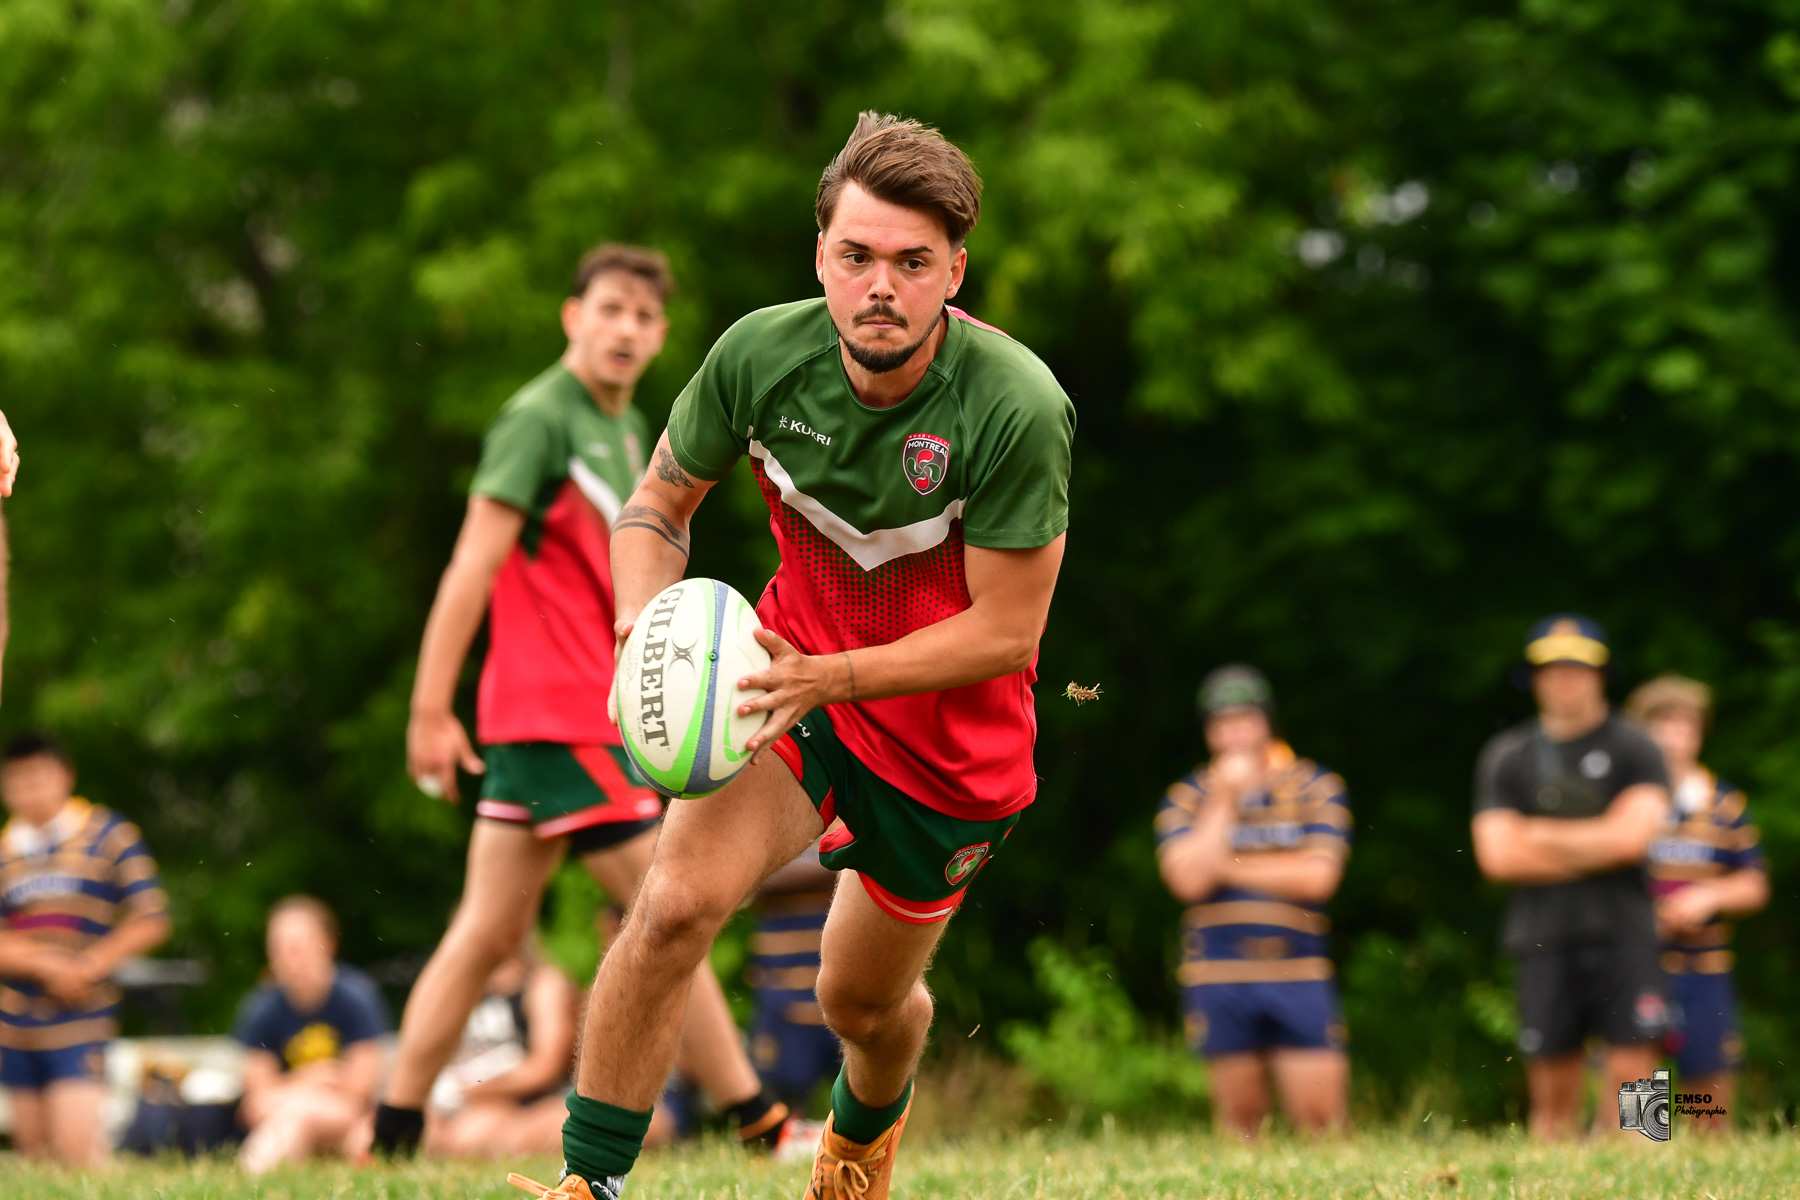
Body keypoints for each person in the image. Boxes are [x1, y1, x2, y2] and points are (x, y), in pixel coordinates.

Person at [508, 112, 1074, 1200]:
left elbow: (1010, 632)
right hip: (784, 682)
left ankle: (858, 1145)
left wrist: (841, 675)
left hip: (950, 754)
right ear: (820, 254)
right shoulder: (761, 356)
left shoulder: (1016, 406)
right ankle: (590, 1187)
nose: (880, 286)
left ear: (955, 271)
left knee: (857, 1005)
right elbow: (658, 506)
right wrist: (640, 627)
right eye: (856, 256)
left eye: (912, 263)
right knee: (671, 905)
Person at [367, 244, 780, 1158]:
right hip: (560, 717)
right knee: (670, 905)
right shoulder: (538, 419)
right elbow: (471, 564)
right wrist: (429, 709)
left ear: (661, 334)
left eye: (643, 316)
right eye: (610, 310)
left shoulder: (631, 428)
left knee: (486, 932)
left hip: (554, 718)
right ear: (573, 318)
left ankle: (389, 1136)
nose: (626, 329)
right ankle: (760, 1123)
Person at [1471, 615, 1672, 1139]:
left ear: (1601, 675)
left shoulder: (1637, 746)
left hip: (1627, 930)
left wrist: (1534, 833)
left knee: (1641, 1091)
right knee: (1552, 1086)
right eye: (1552, 670)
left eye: (1577, 668)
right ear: (1534, 679)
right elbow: (1496, 858)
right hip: (1542, 934)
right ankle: (1554, 1180)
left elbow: (1632, 840)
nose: (1565, 680)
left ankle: (1648, 1177)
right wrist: (1598, 840)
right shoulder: (1506, 756)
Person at [1154, 666, 1351, 1138]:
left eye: (1246, 720)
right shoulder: (1189, 795)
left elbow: (1318, 878)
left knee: (1322, 1124)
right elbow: (1186, 882)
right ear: (1209, 732)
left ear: (1267, 724)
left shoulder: (1316, 787)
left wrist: (1224, 864)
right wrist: (1224, 800)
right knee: (1239, 1126)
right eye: (1223, 723)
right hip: (1219, 972)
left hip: (1299, 969)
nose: (1235, 733)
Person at [0, 733, 170, 1165]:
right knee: (34, 1158)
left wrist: (90, 965)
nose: (29, 790)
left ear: (65, 776)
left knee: (77, 1153)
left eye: (38, 778)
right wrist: (45, 964)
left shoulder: (109, 834)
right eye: (16, 780)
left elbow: (151, 915)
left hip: (82, 1013)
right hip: (16, 1019)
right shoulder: (3, 848)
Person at [1624, 675, 1769, 1132]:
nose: (1674, 738)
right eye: (1662, 726)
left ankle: (1707, 1163)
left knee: (1708, 1078)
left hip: (1705, 967)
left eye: (1685, 727)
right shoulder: (1625, 802)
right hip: (1638, 962)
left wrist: (1709, 895)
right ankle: (1642, 1163)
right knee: (1639, 1072)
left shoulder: (1724, 804)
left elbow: (1754, 882)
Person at [234, 895, 390, 1173]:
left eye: (298, 947)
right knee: (294, 1117)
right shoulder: (261, 1008)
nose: (290, 959)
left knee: (300, 1118)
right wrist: (317, 1076)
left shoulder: (355, 999)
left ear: (328, 944)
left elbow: (360, 1092)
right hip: (292, 1114)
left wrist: (288, 1091)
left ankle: (252, 1180)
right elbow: (255, 1102)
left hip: (339, 1120)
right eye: (279, 948)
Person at [424, 943, 578, 1158]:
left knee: (472, 1135)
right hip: (462, 1099)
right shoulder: (462, 990)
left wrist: (482, 1089)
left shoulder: (543, 985)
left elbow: (546, 1067)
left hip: (526, 1102)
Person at [747, 844, 840, 1122]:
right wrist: (839, 864)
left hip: (846, 993)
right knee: (783, 1104)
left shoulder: (860, 805)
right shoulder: (765, 814)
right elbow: (745, 880)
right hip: (782, 994)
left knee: (863, 1099)